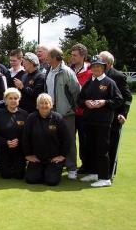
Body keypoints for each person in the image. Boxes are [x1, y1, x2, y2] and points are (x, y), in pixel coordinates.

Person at [77, 56, 123, 187]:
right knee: (90, 147)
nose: (96, 68)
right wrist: (86, 102)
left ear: (103, 68)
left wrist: (104, 102)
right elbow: (79, 100)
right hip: (89, 121)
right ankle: (93, 173)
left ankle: (105, 177)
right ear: (91, 68)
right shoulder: (88, 82)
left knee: (102, 149)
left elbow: (118, 100)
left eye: (99, 66)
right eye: (94, 66)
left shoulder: (109, 82)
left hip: (103, 122)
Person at [45, 47, 80, 180]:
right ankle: (56, 165)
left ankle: (72, 168)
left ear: (54, 58)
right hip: (51, 112)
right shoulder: (49, 70)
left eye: (48, 56)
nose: (47, 59)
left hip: (66, 113)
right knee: (53, 139)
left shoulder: (66, 72)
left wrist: (70, 107)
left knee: (69, 139)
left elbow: (76, 91)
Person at [23, 93, 71, 186]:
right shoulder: (31, 118)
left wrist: (62, 156)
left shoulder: (58, 118)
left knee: (51, 181)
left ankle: (49, 171)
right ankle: (42, 171)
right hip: (37, 158)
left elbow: (66, 139)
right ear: (37, 105)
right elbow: (25, 138)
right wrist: (28, 155)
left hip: (53, 159)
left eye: (46, 103)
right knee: (31, 180)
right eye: (41, 103)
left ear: (51, 105)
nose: (44, 105)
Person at [99, 51, 132, 177]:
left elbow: (127, 97)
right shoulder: (98, 75)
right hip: (101, 117)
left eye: (100, 61)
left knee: (112, 145)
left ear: (107, 63)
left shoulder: (118, 76)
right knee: (102, 145)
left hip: (115, 117)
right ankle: (99, 170)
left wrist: (124, 114)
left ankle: (109, 173)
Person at [0, 88, 28, 179]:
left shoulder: (24, 114)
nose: (13, 100)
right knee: (5, 175)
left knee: (19, 176)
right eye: (10, 98)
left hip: (19, 150)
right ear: (5, 100)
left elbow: (27, 134)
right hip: (4, 149)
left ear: (19, 100)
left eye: (15, 98)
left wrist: (18, 141)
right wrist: (5, 142)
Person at [70, 43, 92, 173]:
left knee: (84, 140)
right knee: (68, 139)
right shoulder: (67, 69)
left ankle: (85, 165)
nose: (72, 57)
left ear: (83, 56)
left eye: (75, 55)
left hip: (84, 113)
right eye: (71, 55)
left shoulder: (90, 70)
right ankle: (69, 163)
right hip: (70, 112)